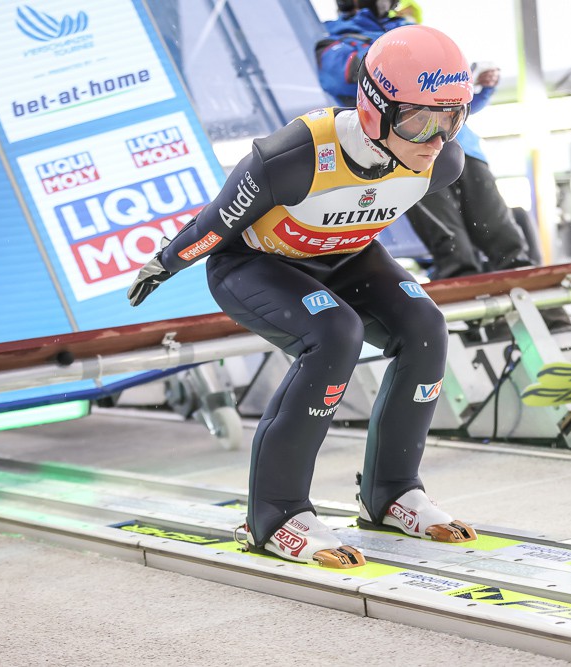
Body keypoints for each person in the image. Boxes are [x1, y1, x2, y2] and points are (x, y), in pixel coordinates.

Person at [127, 25, 478, 568]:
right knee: (335, 334)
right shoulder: (294, 157)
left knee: (426, 328)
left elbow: (374, 198)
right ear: (373, 108)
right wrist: (166, 263)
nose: (436, 140)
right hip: (254, 263)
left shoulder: (444, 162)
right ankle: (275, 514)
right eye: (419, 120)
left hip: (345, 254)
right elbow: (217, 223)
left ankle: (391, 491)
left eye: (451, 119)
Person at [316, 0, 571, 332]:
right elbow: (348, 76)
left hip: (460, 147)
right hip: (406, 155)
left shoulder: (409, 32)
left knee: (504, 237)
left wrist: (478, 87)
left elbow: (447, 98)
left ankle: (551, 323)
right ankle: (488, 332)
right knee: (453, 249)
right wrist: (401, 55)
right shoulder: (336, 41)